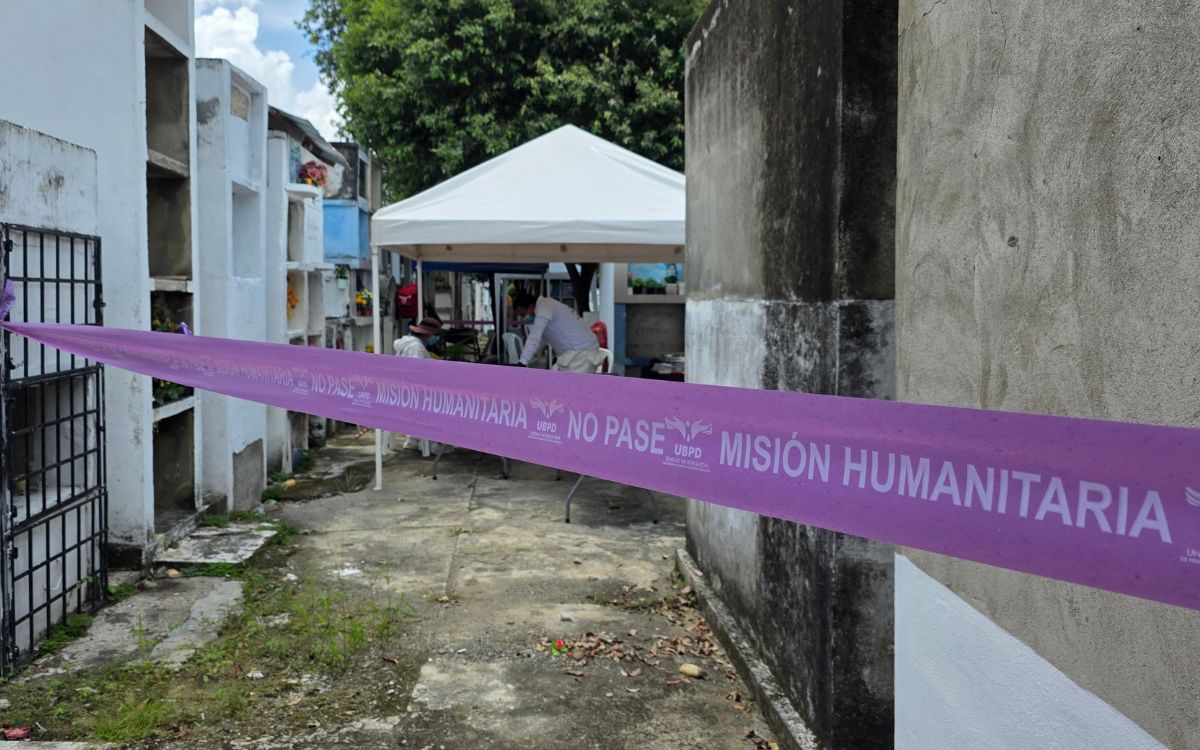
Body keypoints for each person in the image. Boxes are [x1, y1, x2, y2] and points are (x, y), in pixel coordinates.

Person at [393, 317, 451, 453]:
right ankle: (429, 442)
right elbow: (416, 373)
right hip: (412, 392)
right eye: (434, 335)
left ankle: (413, 439)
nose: (435, 338)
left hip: (402, 390)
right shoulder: (416, 347)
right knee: (443, 403)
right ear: (426, 334)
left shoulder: (406, 344)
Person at [511, 292, 605, 372]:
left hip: (582, 354)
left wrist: (522, 362)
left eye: (523, 314)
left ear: (531, 307)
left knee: (570, 389)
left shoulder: (544, 308)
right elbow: (540, 340)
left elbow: (534, 338)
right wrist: (531, 358)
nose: (524, 318)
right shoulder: (546, 306)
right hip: (574, 354)